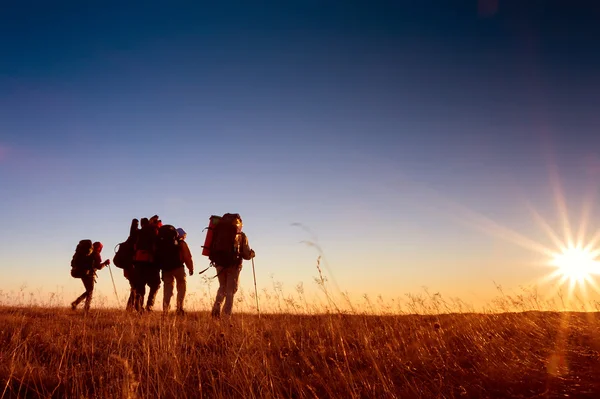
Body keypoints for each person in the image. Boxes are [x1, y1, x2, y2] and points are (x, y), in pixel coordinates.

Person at [211, 215, 255, 318]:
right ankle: (226, 316)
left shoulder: (218, 233)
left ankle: (215, 311)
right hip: (233, 266)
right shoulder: (241, 235)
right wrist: (251, 254)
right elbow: (246, 254)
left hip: (219, 264)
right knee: (231, 290)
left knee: (222, 287)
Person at [161, 227, 194, 315]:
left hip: (165, 269)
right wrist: (190, 268)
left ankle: (165, 310)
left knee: (167, 290)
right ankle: (179, 308)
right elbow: (187, 257)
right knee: (181, 287)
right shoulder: (181, 243)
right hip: (178, 268)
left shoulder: (164, 243)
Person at [132, 216, 161, 312]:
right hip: (150, 262)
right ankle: (149, 305)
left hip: (138, 263)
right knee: (156, 284)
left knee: (140, 285)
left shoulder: (138, 232)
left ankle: (139, 302)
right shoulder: (153, 230)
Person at [71, 241, 110, 311]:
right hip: (90, 275)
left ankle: (76, 303)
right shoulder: (96, 254)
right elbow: (99, 267)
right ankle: (85, 309)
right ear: (99, 248)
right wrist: (105, 263)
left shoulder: (87, 253)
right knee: (90, 292)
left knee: (88, 291)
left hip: (83, 273)